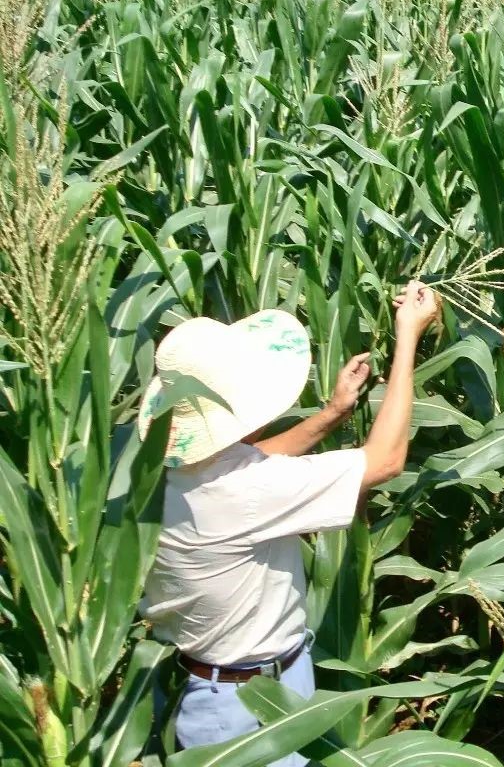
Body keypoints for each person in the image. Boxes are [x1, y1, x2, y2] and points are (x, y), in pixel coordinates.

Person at [139, 281, 442, 764]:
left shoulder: (160, 469)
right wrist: (408, 338)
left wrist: (332, 414)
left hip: (219, 683)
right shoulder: (246, 491)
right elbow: (384, 461)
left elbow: (250, 462)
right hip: (242, 707)